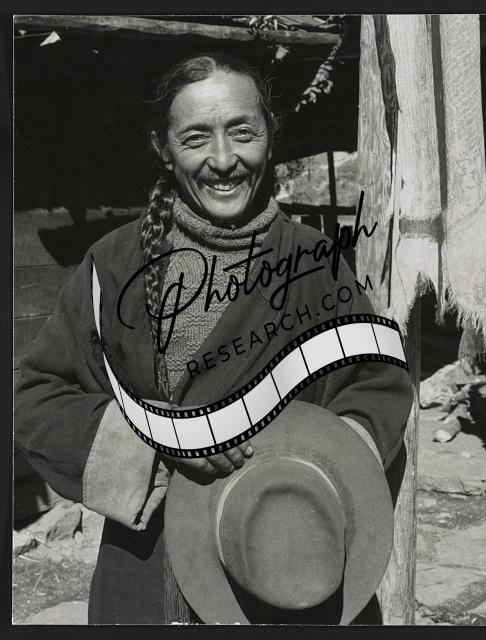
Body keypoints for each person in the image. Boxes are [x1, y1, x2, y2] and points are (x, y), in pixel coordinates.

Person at [15, 52, 413, 624]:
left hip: (283, 563)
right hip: (147, 572)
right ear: (163, 148)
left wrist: (305, 467)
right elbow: (37, 397)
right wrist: (155, 440)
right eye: (196, 137)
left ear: (269, 138)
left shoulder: (315, 264)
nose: (224, 160)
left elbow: (377, 387)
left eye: (242, 132)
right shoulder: (114, 264)